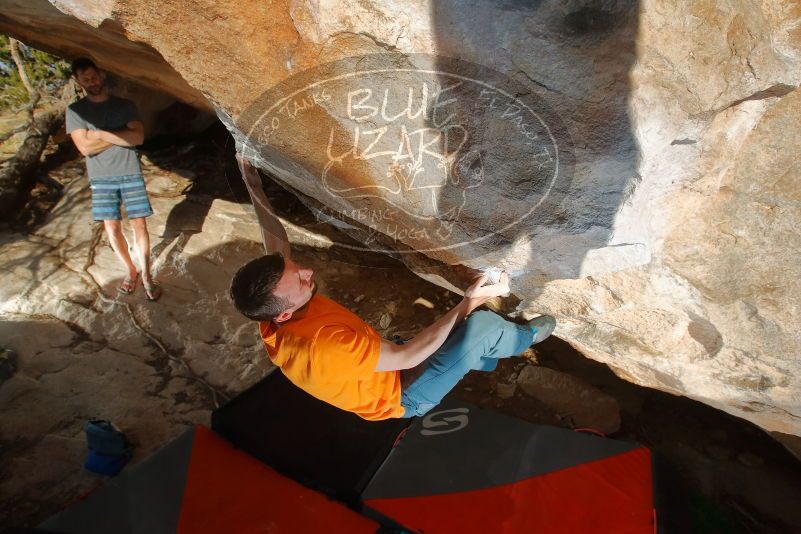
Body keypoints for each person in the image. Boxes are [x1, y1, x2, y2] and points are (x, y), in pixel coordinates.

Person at [229, 154, 556, 420]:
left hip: (379, 361)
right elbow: (409, 356)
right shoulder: (325, 347)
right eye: (299, 279)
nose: (308, 271)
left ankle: (475, 356)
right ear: (284, 315)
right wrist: (469, 301)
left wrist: (252, 182)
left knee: (455, 338)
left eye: (296, 269)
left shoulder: (270, 306)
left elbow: (277, 247)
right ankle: (523, 339)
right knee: (480, 327)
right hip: (403, 393)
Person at [65, 57, 161, 301]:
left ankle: (147, 275)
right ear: (78, 81)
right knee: (112, 227)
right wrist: (121, 135)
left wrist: (99, 134)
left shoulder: (124, 105)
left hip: (130, 171)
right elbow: (85, 148)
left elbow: (138, 137)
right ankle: (131, 271)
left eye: (94, 76)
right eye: (86, 79)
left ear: (102, 75)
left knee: (139, 224)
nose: (92, 82)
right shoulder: (76, 111)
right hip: (102, 177)